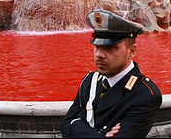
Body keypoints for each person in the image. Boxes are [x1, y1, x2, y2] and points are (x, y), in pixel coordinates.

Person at [61, 9, 162, 138]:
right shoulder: (90, 80)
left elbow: (71, 123)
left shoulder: (145, 95)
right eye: (97, 47)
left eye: (110, 47)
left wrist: (76, 125)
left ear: (131, 51)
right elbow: (65, 127)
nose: (99, 55)